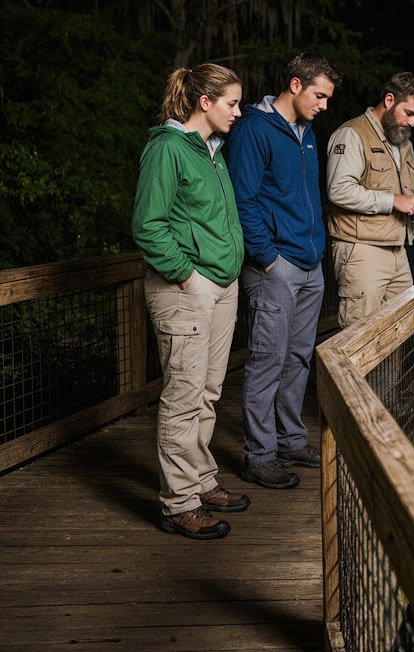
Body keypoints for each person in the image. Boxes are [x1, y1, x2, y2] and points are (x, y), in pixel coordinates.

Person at [132, 64, 249, 540]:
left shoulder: (212, 151)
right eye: (232, 103)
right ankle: (179, 504)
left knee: (208, 391)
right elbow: (148, 225)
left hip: (223, 286)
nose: (238, 112)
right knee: (182, 398)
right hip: (186, 290)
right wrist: (186, 276)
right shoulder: (166, 148)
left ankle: (200, 481)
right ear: (205, 102)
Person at [227, 53, 340, 490]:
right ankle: (259, 455)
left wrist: (316, 252)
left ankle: (290, 439)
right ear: (295, 85)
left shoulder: (306, 132)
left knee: (298, 357)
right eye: (319, 95)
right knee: (267, 360)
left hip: (310, 264)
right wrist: (267, 257)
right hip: (276, 266)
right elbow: (244, 199)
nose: (324, 105)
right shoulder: (255, 129)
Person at [325, 71, 414, 329]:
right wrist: (393, 201)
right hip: (362, 251)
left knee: (400, 333)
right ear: (388, 100)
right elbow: (338, 190)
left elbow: (399, 191)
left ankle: (390, 374)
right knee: (359, 337)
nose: (412, 122)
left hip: (398, 249)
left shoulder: (403, 142)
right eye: (408, 113)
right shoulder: (352, 134)